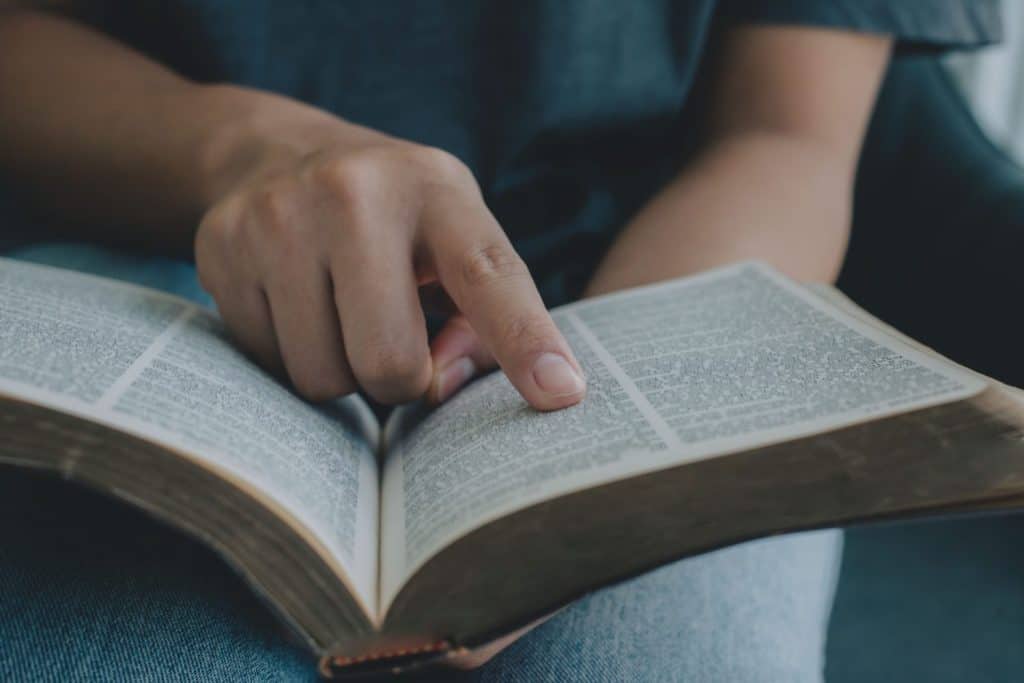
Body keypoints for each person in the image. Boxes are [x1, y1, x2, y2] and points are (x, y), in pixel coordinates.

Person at [0, 1, 1010, 681]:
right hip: (165, 243)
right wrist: (258, 153)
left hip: (641, 284)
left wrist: (604, 438)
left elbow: (784, 139)